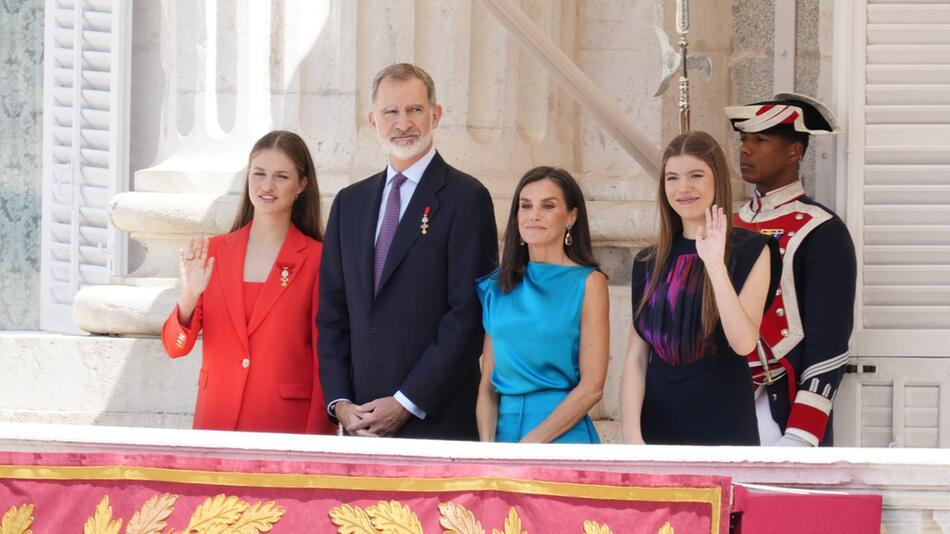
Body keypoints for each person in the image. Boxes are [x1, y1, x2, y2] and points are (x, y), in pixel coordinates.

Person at [317, 63, 498, 440]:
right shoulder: (349, 204)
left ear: (436, 114)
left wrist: (405, 402)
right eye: (391, 112)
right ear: (373, 120)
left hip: (436, 423)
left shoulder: (467, 198)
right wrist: (341, 404)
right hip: (360, 426)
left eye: (415, 110)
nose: (403, 123)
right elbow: (333, 315)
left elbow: (466, 315)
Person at [162, 130, 335, 434]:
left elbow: (326, 360)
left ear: (302, 185)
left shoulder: (318, 259)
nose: (267, 186)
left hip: (285, 429)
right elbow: (175, 348)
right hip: (215, 424)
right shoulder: (213, 252)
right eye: (259, 174)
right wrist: (189, 296)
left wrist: (317, 445)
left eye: (281, 176)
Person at [620, 131, 781, 445]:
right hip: (657, 421)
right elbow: (636, 359)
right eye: (672, 178)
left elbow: (744, 343)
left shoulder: (753, 250)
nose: (683, 188)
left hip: (722, 419)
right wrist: (632, 437)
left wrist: (716, 265)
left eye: (696, 175)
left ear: (716, 179)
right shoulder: (647, 261)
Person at [725, 93, 857, 446]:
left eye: (760, 140)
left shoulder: (823, 229)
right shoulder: (727, 223)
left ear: (794, 152)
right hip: (719, 402)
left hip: (781, 408)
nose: (745, 150)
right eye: (743, 140)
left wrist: (803, 431)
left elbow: (829, 343)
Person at [475, 167, 608, 444]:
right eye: (525, 206)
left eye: (548, 206)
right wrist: (488, 451)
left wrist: (529, 446)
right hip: (502, 436)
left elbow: (592, 387)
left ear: (571, 217)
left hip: (562, 435)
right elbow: (487, 384)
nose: (533, 215)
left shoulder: (588, 283)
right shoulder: (496, 286)